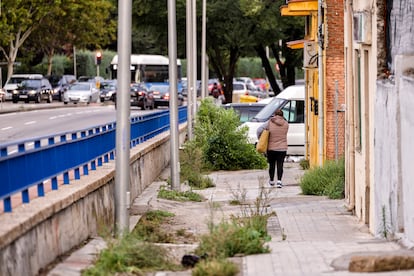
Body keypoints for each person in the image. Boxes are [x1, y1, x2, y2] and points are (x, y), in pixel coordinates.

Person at [257, 109, 289, 188]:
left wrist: (260, 138)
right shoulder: (286, 124)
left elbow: (259, 130)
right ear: (282, 115)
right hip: (282, 148)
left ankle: (271, 181)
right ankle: (279, 181)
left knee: (272, 165)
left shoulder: (269, 122)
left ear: (275, 114)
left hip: (271, 148)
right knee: (280, 164)